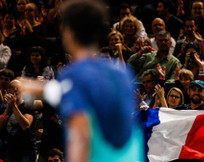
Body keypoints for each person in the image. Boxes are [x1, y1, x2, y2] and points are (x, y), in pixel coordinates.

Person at [20, 0, 144, 161]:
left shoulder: (74, 74)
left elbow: (81, 133)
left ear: (68, 32)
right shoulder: (121, 72)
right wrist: (41, 90)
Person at [0, 80, 37, 162]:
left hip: (26, 150)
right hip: (10, 149)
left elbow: (25, 126)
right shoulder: (3, 107)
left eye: (19, 88)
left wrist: (14, 107)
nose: (16, 90)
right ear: (8, 91)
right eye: (13, 88)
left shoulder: (28, 106)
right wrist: (6, 111)